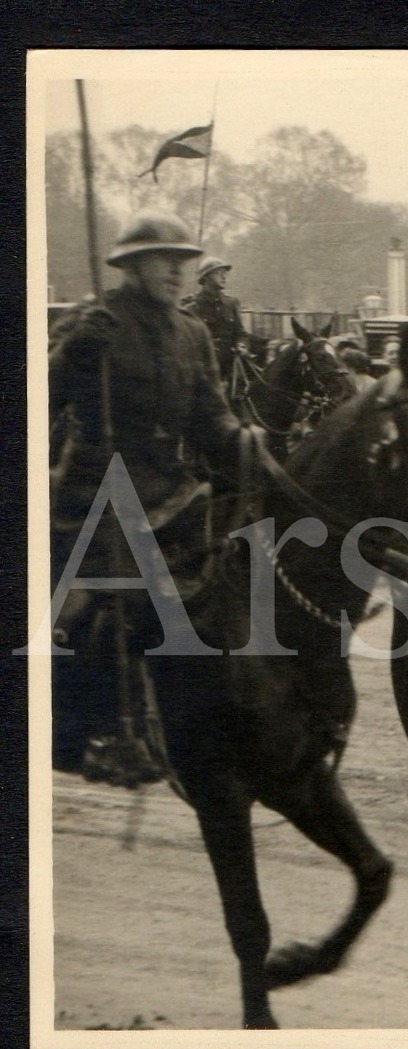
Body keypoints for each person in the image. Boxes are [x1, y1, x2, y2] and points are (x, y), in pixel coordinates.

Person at [49, 211, 260, 783]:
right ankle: (80, 728)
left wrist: (246, 442)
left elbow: (211, 416)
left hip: (171, 491)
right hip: (96, 489)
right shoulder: (95, 322)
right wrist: (69, 359)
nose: (177, 270)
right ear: (133, 266)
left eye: (184, 260)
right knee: (88, 599)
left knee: (232, 575)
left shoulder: (192, 333)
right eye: (164, 259)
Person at [180, 255, 247, 394]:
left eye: (225, 273)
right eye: (218, 273)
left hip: (230, 372)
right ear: (206, 277)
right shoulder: (192, 307)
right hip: (203, 375)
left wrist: (241, 345)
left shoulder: (231, 304)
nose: (224, 277)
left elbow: (241, 333)